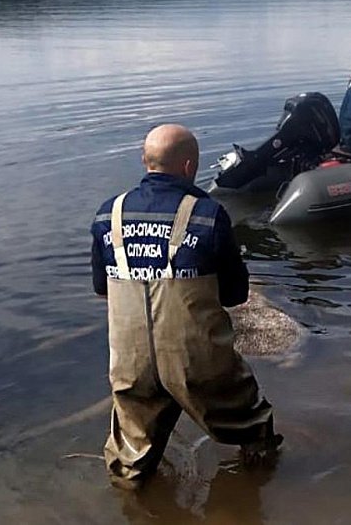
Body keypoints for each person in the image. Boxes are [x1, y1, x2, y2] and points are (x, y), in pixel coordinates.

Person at [90, 124, 281, 491]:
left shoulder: (106, 215)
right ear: (190, 165)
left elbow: (103, 290)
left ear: (144, 162)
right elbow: (235, 294)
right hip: (196, 357)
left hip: (130, 360)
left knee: (130, 455)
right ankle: (258, 491)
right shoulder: (207, 214)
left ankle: (137, 504)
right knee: (251, 423)